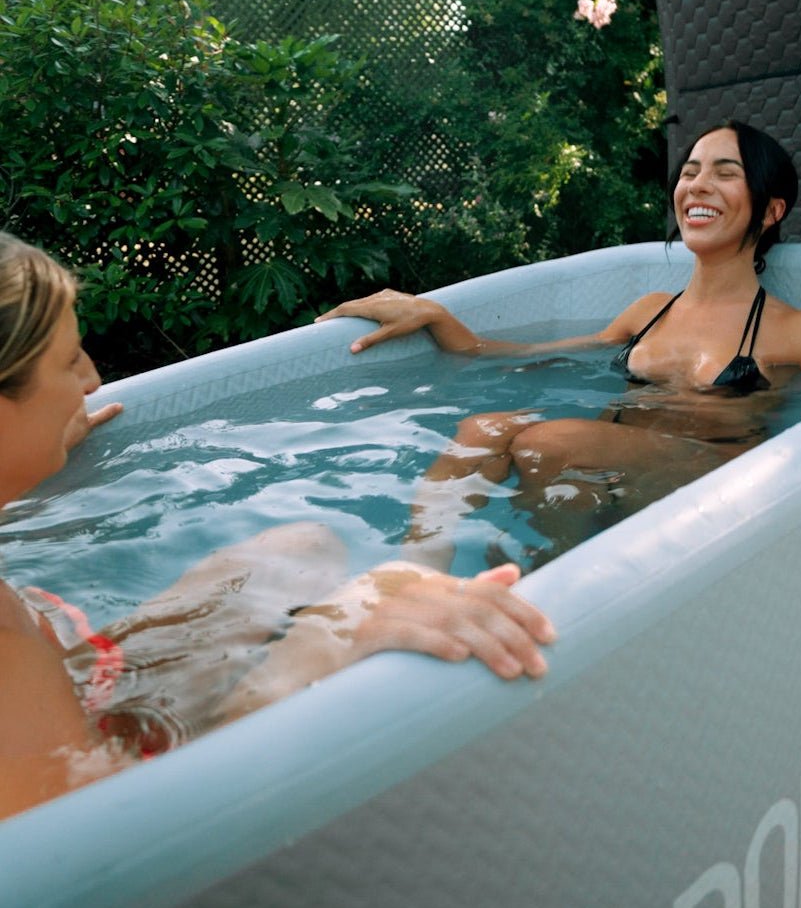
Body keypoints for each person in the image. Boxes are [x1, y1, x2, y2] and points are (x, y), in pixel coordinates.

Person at [0, 232, 556, 821]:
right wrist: (339, 639)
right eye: (66, 363)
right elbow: (96, 856)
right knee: (382, 590)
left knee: (299, 550)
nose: (89, 381)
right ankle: (419, 556)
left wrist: (22, 464)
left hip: (77, 694)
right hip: (121, 799)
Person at [317, 120, 801, 568]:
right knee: (485, 426)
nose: (696, 186)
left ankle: (543, 587)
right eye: (690, 171)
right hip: (609, 462)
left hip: (713, 474)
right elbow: (520, 359)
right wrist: (435, 314)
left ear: (770, 209)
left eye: (724, 173)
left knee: (551, 442)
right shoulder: (646, 312)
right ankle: (407, 582)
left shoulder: (795, 329)